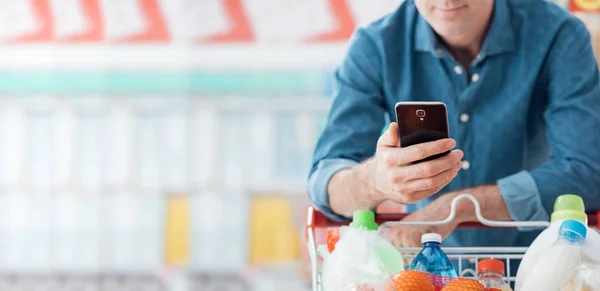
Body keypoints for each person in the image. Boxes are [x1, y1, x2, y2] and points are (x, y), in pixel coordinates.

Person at [308, 0, 600, 249]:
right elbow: (327, 185)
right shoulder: (376, 47)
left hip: (538, 268)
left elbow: (587, 171)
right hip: (424, 275)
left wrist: (458, 206)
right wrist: (376, 179)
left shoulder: (558, 35)